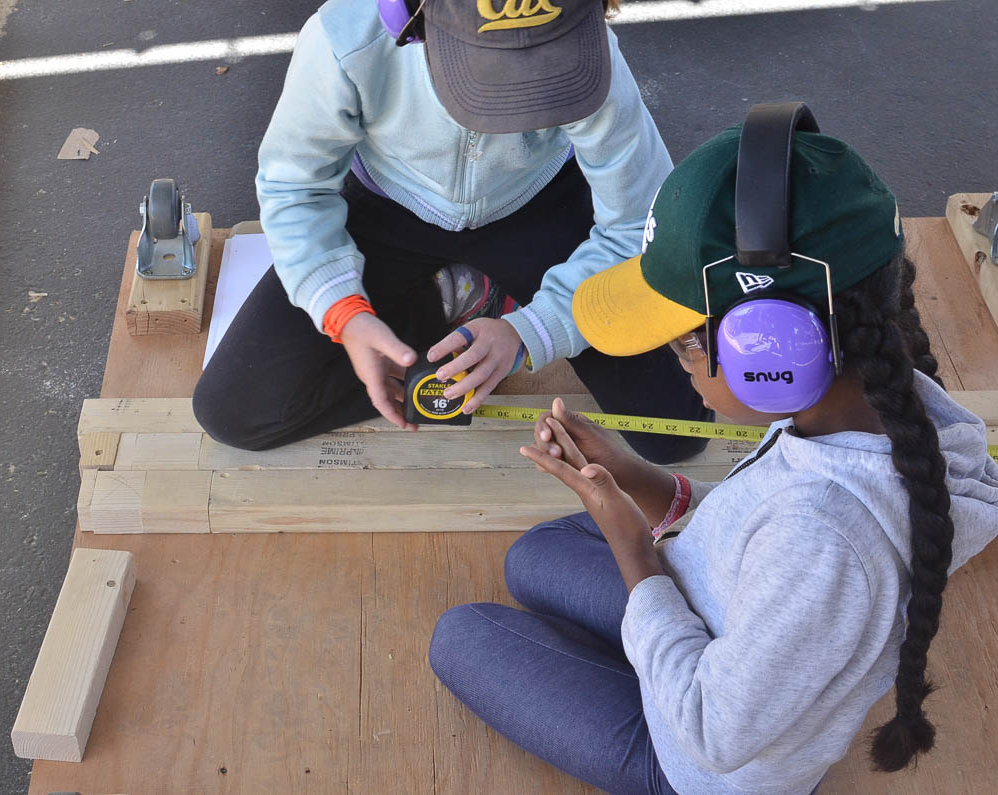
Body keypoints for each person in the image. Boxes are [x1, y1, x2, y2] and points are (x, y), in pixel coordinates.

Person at [428, 106, 998, 794]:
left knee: (461, 635)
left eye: (684, 342)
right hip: (720, 611)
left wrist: (634, 551)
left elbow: (712, 730)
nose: (676, 361)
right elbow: (757, 531)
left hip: (693, 755)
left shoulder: (825, 538)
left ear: (774, 351)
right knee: (531, 559)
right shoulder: (857, 404)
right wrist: (642, 483)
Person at [192, 0, 711, 464]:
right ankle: (451, 302)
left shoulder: (593, 57)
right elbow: (295, 189)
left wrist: (529, 332)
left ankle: (478, 307)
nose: (510, 109)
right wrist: (342, 312)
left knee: (678, 432)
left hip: (541, 205)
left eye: (545, 79)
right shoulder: (346, 37)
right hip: (389, 208)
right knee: (232, 412)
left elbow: (636, 225)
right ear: (411, 18)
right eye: (487, 81)